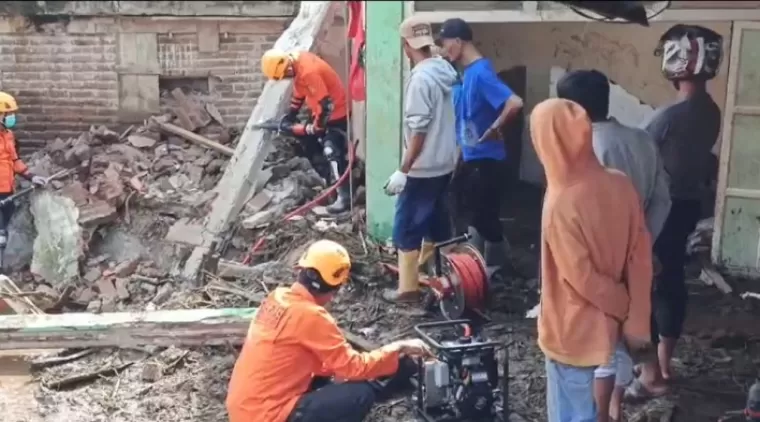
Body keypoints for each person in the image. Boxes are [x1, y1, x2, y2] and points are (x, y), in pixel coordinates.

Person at [557, 69, 671, 421]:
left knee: (602, 337)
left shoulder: (586, 149)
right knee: (630, 325)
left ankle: (606, 411)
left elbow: (585, 215)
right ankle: (618, 404)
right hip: (637, 255)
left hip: (600, 262)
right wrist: (643, 243)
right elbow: (663, 198)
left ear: (572, 108)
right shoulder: (641, 140)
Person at [531, 98, 653, 422]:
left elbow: (581, 277)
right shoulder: (620, 183)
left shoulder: (560, 201)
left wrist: (620, 304)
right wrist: (633, 314)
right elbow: (640, 256)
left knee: (572, 412)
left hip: (572, 328)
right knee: (598, 401)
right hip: (611, 327)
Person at [226, 239, 432, 422]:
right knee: (360, 394)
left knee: (330, 378)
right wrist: (398, 348)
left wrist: (335, 369)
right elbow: (354, 367)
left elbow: (293, 355)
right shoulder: (311, 316)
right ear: (334, 289)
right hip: (268, 416)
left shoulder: (277, 297)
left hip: (243, 409)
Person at [634, 24, 724, 398]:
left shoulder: (669, 116)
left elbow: (641, 160)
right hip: (688, 205)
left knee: (648, 287)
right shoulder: (712, 110)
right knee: (671, 282)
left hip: (662, 209)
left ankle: (649, 374)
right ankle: (664, 364)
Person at [436, 18, 524, 273]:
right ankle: (478, 261)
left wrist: (495, 129)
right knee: (472, 210)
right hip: (472, 157)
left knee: (483, 215)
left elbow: (514, 103)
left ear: (458, 41)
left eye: (445, 44)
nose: (444, 50)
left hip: (488, 159)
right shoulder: (467, 74)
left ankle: (497, 263)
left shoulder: (481, 72)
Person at [382, 17, 459, 303]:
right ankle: (447, 278)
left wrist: (404, 170)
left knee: (406, 227)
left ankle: (408, 291)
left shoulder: (420, 80)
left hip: (422, 168)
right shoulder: (446, 70)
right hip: (445, 163)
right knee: (438, 221)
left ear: (406, 46)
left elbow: (419, 130)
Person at [260, 49, 351, 214]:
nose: (286, 79)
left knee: (332, 151)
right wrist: (291, 114)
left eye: (285, 76)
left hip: (336, 113)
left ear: (287, 68)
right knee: (307, 143)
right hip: (320, 112)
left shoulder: (309, 71)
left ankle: (344, 199)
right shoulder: (297, 63)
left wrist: (316, 127)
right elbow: (300, 92)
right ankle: (330, 183)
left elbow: (326, 104)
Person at [0, 92, 46, 253]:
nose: (12, 117)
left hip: (7, 190)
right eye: (8, 114)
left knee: (7, 225)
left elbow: (14, 161)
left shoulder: (8, 136)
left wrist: (31, 176)